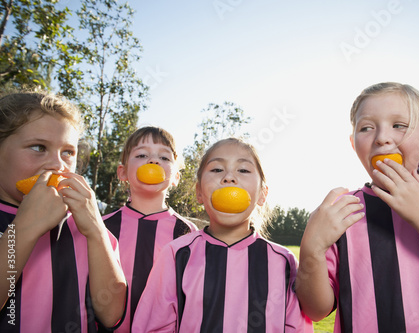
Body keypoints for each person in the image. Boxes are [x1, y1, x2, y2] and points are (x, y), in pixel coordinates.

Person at [296, 82, 419, 332]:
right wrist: (311, 250)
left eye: (399, 125)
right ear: (353, 144)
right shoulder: (342, 212)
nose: (382, 138)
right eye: (367, 128)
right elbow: (316, 310)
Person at [132, 137, 313, 332]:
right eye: (217, 169)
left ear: (262, 194)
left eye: (243, 170)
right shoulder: (176, 255)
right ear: (199, 192)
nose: (229, 177)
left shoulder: (284, 261)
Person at [0, 90, 127, 332]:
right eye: (38, 147)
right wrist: (25, 227)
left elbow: (111, 314)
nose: (58, 164)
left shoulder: (83, 223)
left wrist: (97, 231)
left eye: (68, 152)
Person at [103, 126, 198, 332]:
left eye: (164, 157)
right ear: (123, 172)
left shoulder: (188, 233)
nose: (154, 161)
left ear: (175, 178)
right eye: (142, 154)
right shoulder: (101, 227)